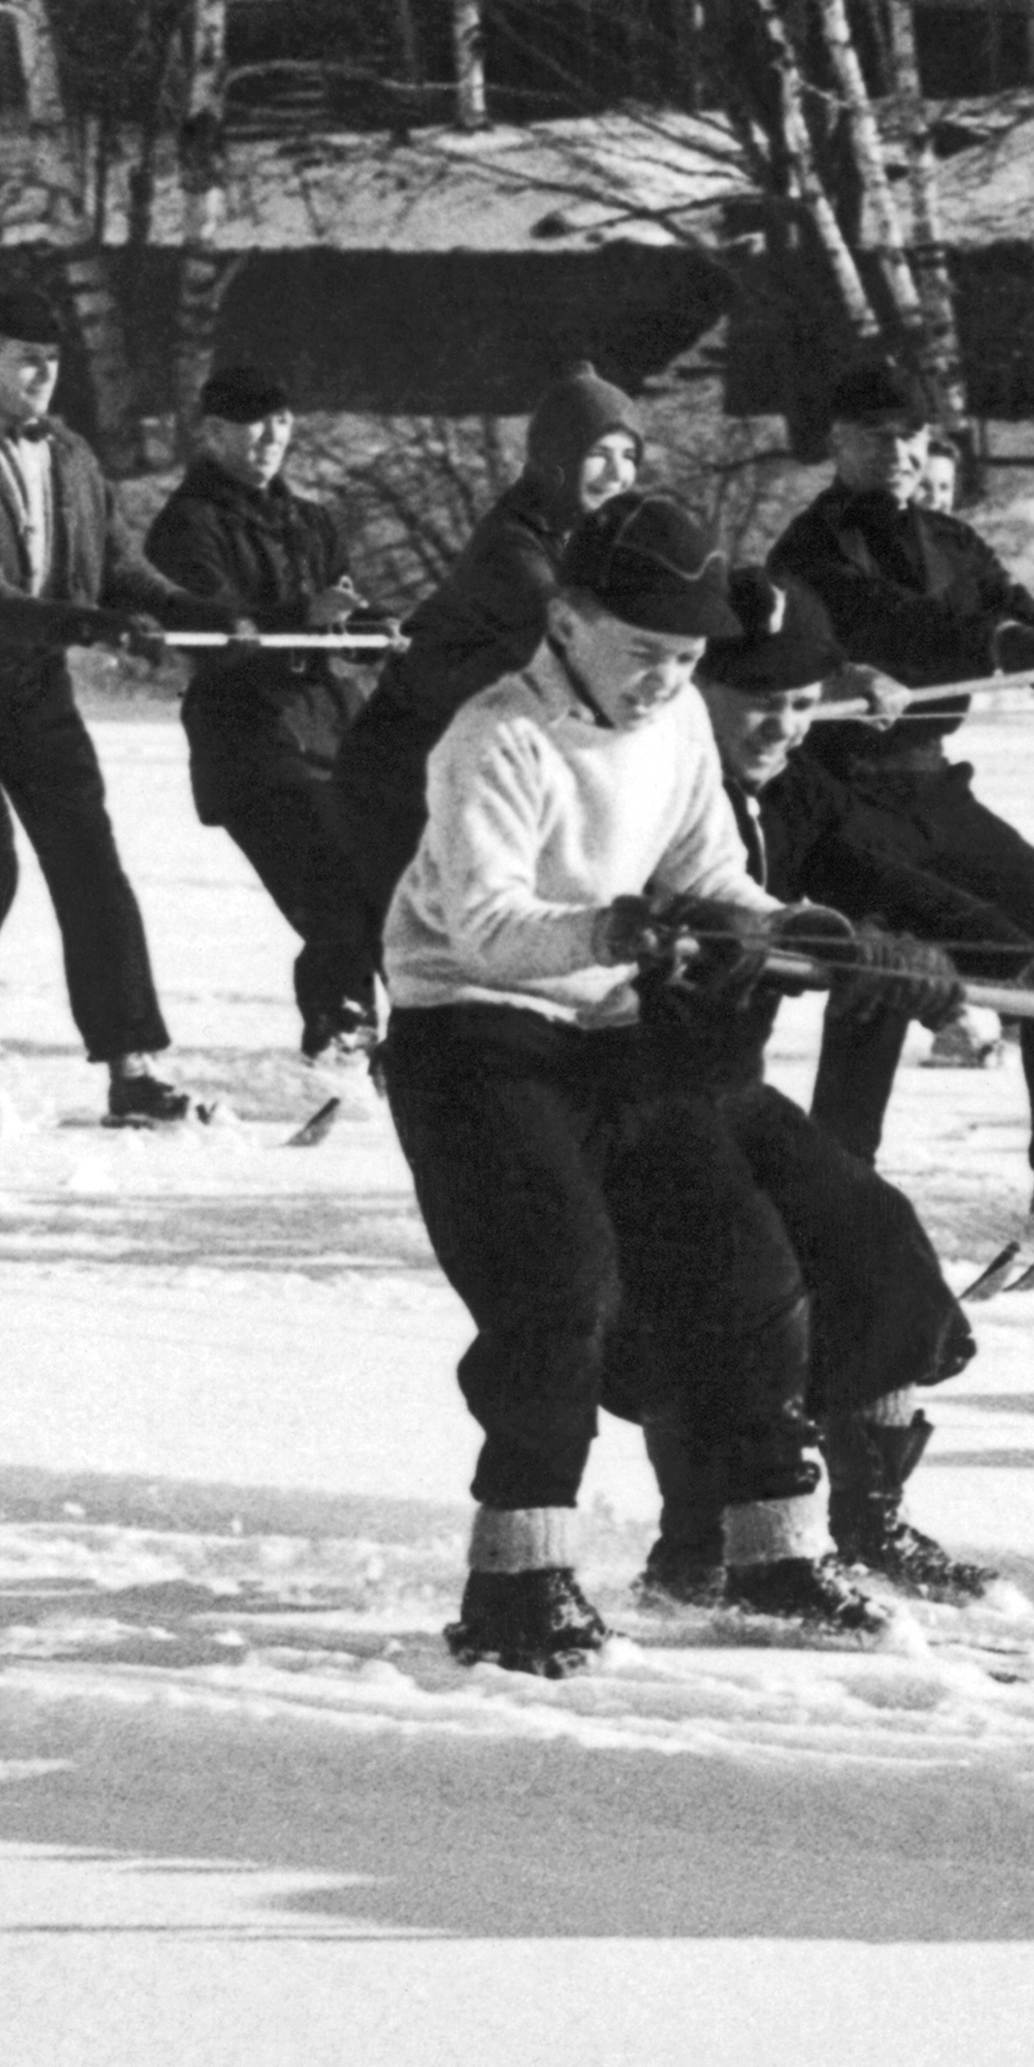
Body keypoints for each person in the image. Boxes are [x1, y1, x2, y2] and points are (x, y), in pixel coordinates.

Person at [379, 488, 883, 1677]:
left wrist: (801, 928)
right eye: (648, 652)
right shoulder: (493, 739)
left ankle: (772, 1554)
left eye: (691, 658)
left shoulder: (675, 730)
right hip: (475, 1036)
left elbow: (710, 867)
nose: (668, 679)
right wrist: (616, 927)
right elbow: (492, 927)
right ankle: (518, 1576)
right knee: (559, 1284)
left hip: (610, 1031)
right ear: (569, 618)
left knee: (747, 1266)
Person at [608, 568, 1004, 1606]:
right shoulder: (637, 786)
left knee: (873, 1237)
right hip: (623, 1093)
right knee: (731, 1289)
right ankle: (701, 1545)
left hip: (728, 1089)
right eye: (754, 701)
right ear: (696, 690)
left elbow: (882, 876)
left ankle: (865, 1522)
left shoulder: (797, 791)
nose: (778, 724)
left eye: (796, 701)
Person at [771, 366, 1034, 1271]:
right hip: (847, 796)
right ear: (837, 445)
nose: (894, 453)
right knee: (888, 976)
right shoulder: (809, 552)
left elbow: (1002, 609)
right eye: (871, 436)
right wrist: (1003, 643)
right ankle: (835, 1185)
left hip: (937, 787)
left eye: (909, 436)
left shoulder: (948, 535)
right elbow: (893, 623)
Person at [0, 282, 203, 1129]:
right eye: (25, 360)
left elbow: (120, 569)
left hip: (31, 683)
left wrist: (197, 615)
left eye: (51, 363)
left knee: (91, 867)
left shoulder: (68, 455)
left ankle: (133, 1068)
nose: (41, 376)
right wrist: (90, 624)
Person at [142, 364, 382, 1069]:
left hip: (334, 732)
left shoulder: (310, 520)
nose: (271, 436)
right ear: (212, 433)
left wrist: (369, 628)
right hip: (249, 746)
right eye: (253, 422)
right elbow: (212, 638)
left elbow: (342, 606)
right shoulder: (185, 528)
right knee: (332, 895)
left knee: (381, 889)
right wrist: (301, 620)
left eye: (281, 420)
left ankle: (396, 1042)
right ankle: (338, 1041)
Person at [332, 364, 645, 907]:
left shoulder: (585, 538)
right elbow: (583, 645)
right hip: (400, 774)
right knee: (421, 956)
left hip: (465, 770)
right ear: (556, 460)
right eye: (600, 454)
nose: (616, 475)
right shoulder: (512, 549)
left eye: (629, 457)